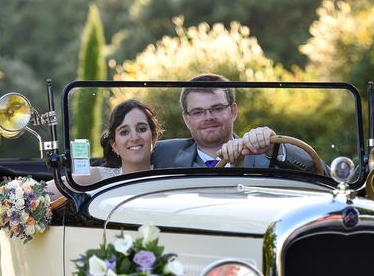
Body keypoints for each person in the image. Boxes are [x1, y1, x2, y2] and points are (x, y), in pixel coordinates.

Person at [151, 73, 318, 172]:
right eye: (198, 112)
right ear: (186, 119)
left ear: (233, 111)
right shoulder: (163, 154)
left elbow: (321, 174)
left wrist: (276, 148)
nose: (208, 117)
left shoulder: (266, 154)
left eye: (217, 108)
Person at [48, 99, 163, 199]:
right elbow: (38, 194)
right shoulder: (97, 176)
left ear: (153, 138)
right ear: (115, 146)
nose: (134, 138)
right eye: (124, 132)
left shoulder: (169, 179)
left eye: (141, 129)